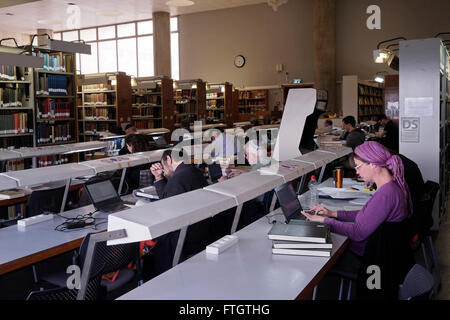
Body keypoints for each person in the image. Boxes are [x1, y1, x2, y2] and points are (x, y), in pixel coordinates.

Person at [301, 141, 412, 274]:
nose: (357, 173)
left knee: (313, 260)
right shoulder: (390, 186)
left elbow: (357, 233)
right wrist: (333, 213)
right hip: (377, 253)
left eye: (358, 167)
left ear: (372, 164)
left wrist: (324, 221)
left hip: (368, 259)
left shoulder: (386, 194)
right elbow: (368, 213)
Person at [149, 148, 210, 276]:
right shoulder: (194, 172)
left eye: (164, 166)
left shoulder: (177, 179)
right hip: (202, 231)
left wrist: (161, 177)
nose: (164, 171)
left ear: (169, 160)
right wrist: (161, 177)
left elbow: (165, 204)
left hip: (185, 238)